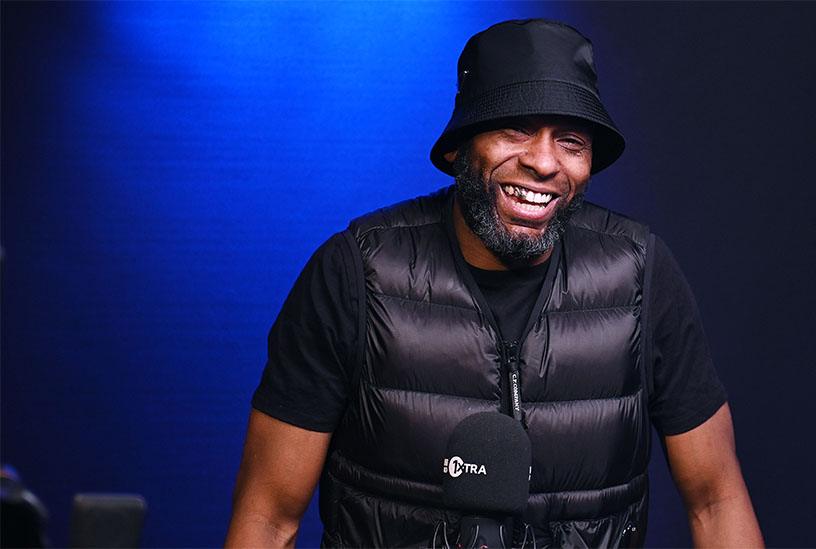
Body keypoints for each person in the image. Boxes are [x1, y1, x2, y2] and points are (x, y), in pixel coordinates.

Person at [226, 19, 763, 548]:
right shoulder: (356, 273)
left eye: (571, 141)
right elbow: (269, 518)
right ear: (460, 146)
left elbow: (716, 501)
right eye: (516, 129)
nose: (544, 162)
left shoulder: (641, 274)